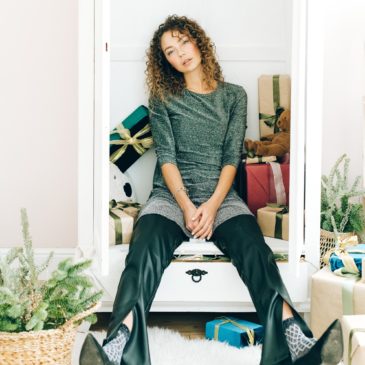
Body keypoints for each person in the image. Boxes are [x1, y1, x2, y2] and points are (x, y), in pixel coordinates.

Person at [80, 15, 343, 365]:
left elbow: (231, 158)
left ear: (198, 42)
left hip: (223, 198)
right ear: (166, 62)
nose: (181, 54)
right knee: (141, 255)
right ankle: (118, 346)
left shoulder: (234, 95)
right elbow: (168, 158)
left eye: (183, 43)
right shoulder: (163, 97)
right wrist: (189, 208)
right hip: (170, 199)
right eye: (170, 52)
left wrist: (212, 205)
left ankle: (295, 341)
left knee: (256, 252)